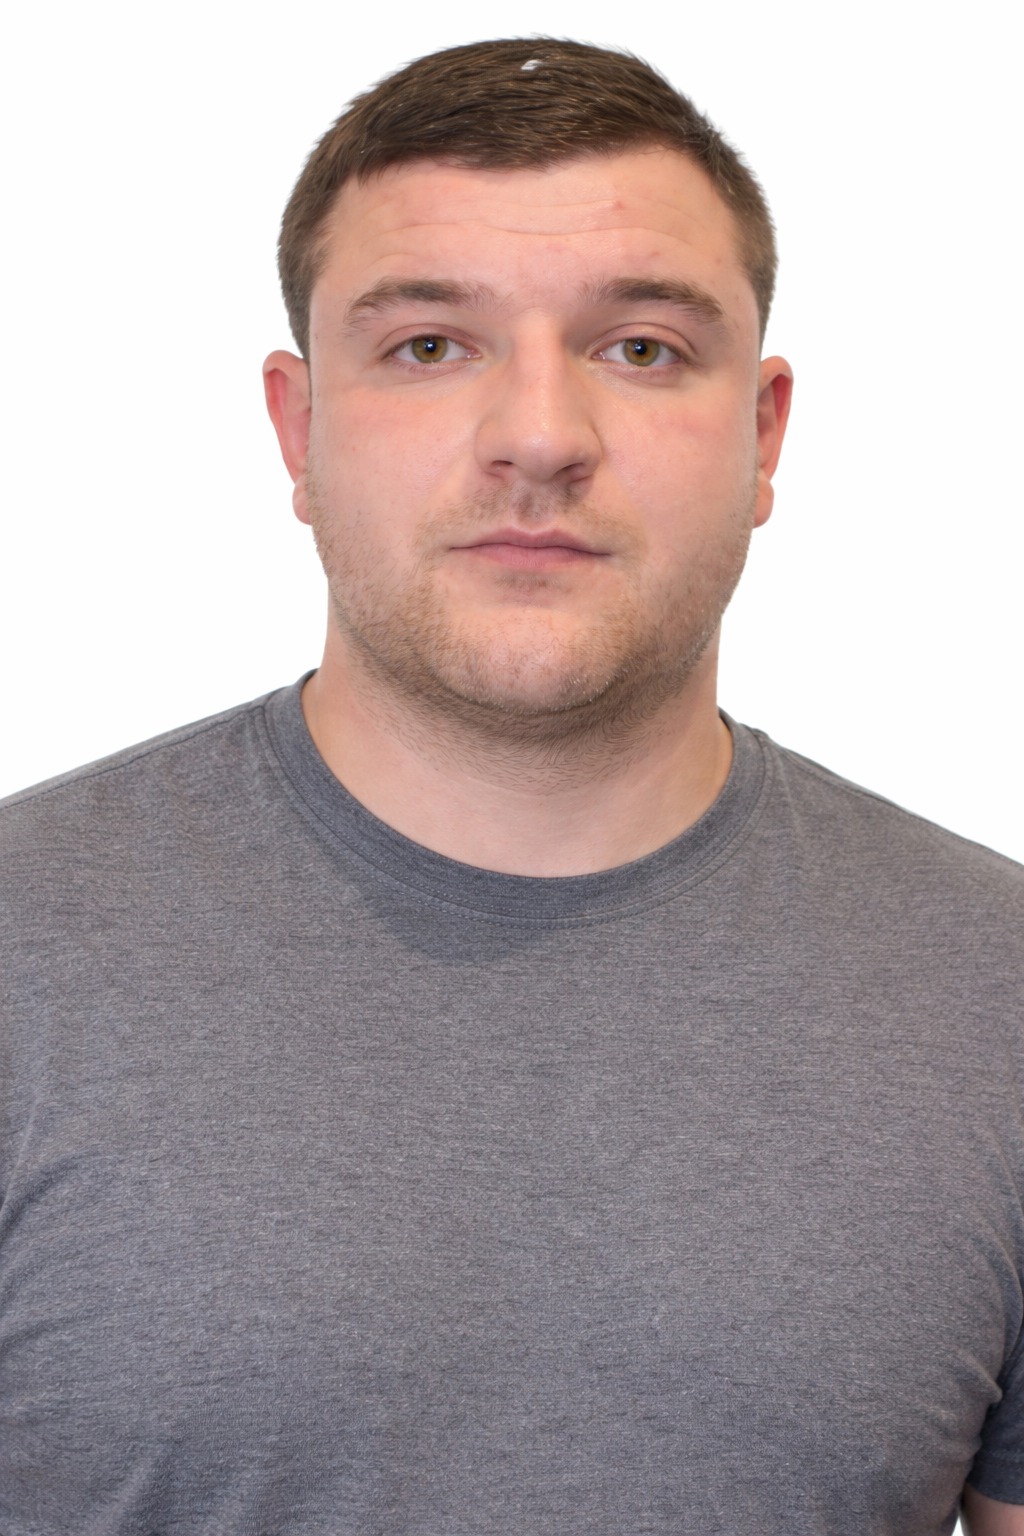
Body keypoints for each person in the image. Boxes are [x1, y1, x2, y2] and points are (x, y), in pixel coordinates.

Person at [0, 36, 1020, 1536]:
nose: (541, 437)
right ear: (298, 430)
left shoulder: (1000, 989)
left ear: (764, 435)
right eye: (430, 345)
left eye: (641, 348)